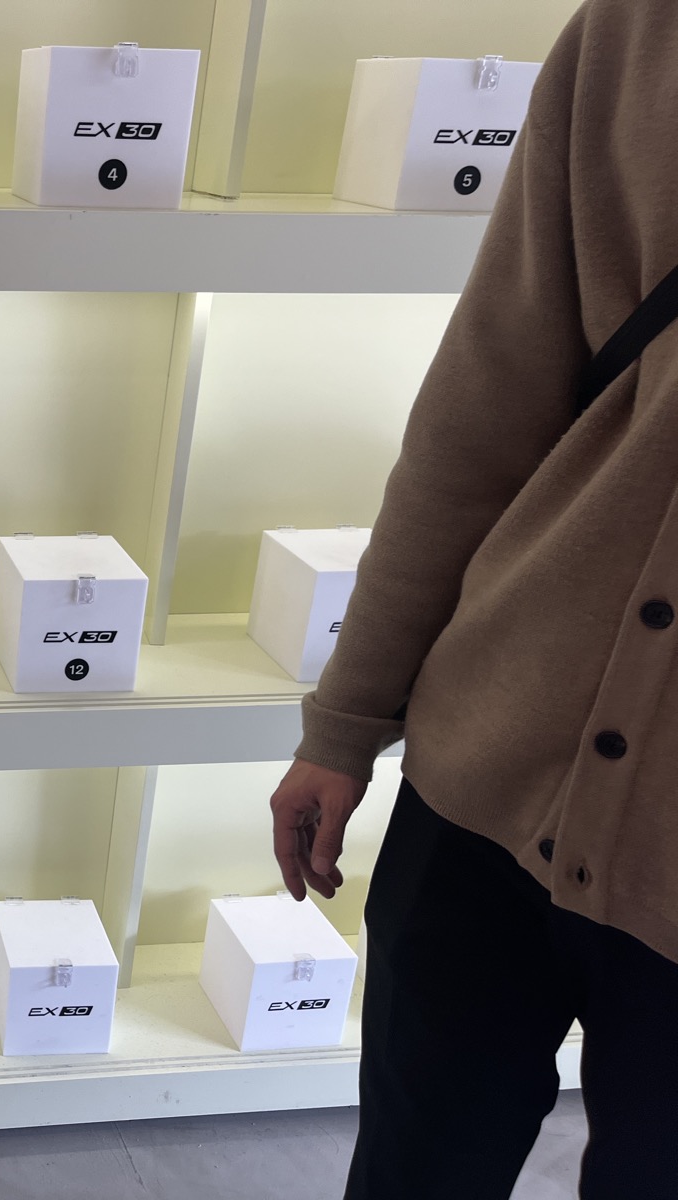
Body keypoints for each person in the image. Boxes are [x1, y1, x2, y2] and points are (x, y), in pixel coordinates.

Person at [266, 2, 678, 1196]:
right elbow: (479, 412)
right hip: (483, 781)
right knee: (412, 1170)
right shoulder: (630, 31)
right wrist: (344, 722)